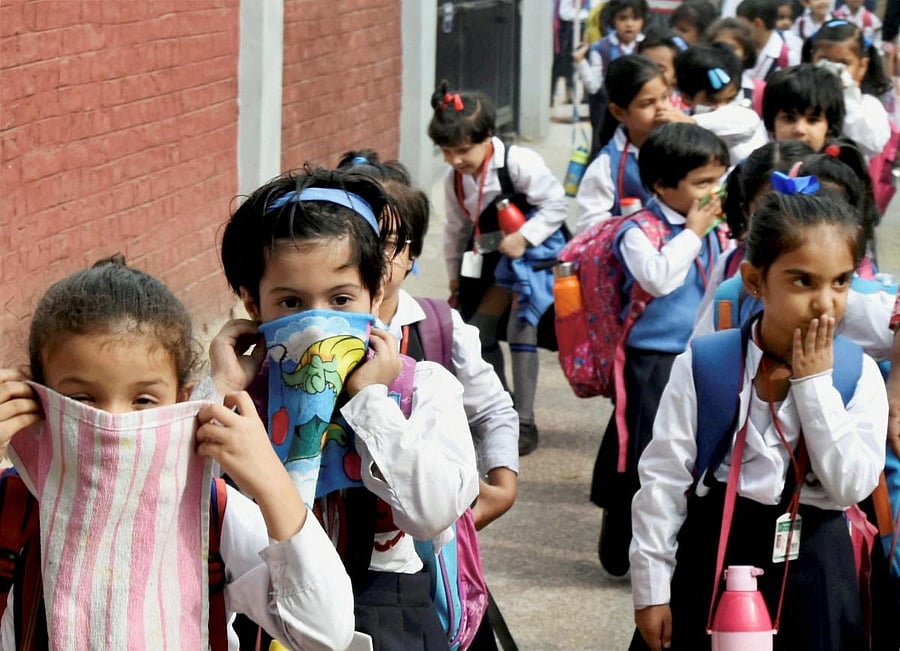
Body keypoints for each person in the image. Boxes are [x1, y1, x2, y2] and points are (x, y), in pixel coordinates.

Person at [0, 256, 355, 650]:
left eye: (144, 400)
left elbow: (326, 632)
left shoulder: (209, 510)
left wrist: (272, 483)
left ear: (180, 401)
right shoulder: (12, 505)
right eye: (82, 398)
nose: (114, 424)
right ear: (36, 397)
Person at [211, 167, 480, 650]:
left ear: (375, 296)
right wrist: (225, 391)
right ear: (252, 302)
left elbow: (432, 513)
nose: (318, 325)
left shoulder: (421, 391)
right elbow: (193, 508)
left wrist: (370, 401)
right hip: (271, 618)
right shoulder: (242, 403)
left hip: (389, 615)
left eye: (340, 300)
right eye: (291, 303)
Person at [629, 190, 887, 651]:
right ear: (754, 281)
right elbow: (663, 480)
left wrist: (814, 388)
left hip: (816, 564)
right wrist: (651, 589)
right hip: (715, 553)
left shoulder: (857, 373)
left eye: (841, 282)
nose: (825, 303)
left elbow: (851, 486)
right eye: (803, 281)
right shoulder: (705, 364)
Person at [337, 149, 518, 532]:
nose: (372, 260)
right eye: (358, 243)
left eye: (386, 245)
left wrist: (502, 487)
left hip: (417, 548)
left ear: (413, 251)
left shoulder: (435, 327)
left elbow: (493, 410)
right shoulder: (301, 333)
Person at [591, 123, 732, 578]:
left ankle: (675, 544)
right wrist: (692, 233)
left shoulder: (714, 227)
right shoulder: (639, 229)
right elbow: (657, 278)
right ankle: (622, 542)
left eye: (718, 180)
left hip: (701, 354)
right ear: (662, 186)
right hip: (650, 360)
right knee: (644, 453)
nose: (714, 192)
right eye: (702, 183)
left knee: (689, 453)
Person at [429, 83, 568, 456]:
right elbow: (455, 231)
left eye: (462, 150)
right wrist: (455, 276)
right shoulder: (454, 180)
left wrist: (524, 236)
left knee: (522, 328)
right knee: (478, 331)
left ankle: (524, 419)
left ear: (487, 138)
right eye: (446, 151)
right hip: (488, 262)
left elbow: (555, 205)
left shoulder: (519, 163)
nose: (454, 159)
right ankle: (499, 407)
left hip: (530, 262)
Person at [691, 139, 815, 337]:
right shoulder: (731, 265)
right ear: (747, 210)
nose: (785, 221)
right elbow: (700, 342)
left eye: (799, 206)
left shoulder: (837, 268)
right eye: (770, 208)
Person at [575, 55, 669, 232]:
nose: (662, 108)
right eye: (647, 103)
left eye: (665, 97)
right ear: (618, 112)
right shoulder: (607, 166)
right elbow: (590, 230)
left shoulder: (684, 147)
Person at [658, 42, 769, 165]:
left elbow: (748, 121)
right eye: (712, 101)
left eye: (730, 98)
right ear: (686, 98)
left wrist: (692, 123)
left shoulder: (743, 120)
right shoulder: (680, 126)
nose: (723, 107)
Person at [804, 18, 892, 160]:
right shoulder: (800, 97)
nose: (832, 69)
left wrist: (845, 94)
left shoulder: (869, 106)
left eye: (843, 63)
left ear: (862, 66)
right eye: (824, 60)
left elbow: (873, 145)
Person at [575, 0, 649, 157]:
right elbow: (593, 86)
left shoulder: (647, 46)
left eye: (635, 18)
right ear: (613, 20)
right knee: (603, 152)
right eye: (623, 18)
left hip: (639, 112)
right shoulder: (601, 48)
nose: (629, 24)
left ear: (643, 20)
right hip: (605, 113)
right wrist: (581, 62)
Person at [762, 63, 846, 151]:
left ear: (830, 128)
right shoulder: (756, 163)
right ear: (771, 126)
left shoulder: (846, 164)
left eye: (812, 120)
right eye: (789, 119)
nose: (799, 129)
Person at [736, 0, 803, 82]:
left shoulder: (787, 57)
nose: (739, 30)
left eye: (742, 25)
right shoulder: (739, 48)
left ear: (757, 23)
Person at [706, 17, 762, 111]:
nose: (726, 52)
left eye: (733, 48)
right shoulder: (700, 83)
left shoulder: (758, 90)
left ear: (746, 53)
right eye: (719, 46)